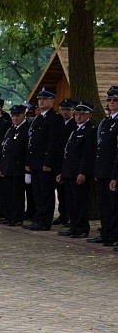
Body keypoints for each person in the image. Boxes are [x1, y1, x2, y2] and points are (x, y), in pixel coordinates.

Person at [59, 102, 97, 238]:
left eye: (82, 114)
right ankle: (73, 225)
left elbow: (88, 154)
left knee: (80, 202)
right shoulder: (75, 130)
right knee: (70, 202)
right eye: (76, 114)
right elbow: (67, 153)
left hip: (79, 173)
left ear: (89, 115)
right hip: (69, 172)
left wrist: (83, 172)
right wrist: (62, 172)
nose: (78, 116)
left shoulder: (90, 130)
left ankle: (81, 228)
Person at [25, 89, 58, 231]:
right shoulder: (38, 118)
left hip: (45, 163)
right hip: (35, 162)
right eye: (39, 99)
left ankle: (45, 220)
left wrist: (48, 162)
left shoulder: (55, 118)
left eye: (45, 99)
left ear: (52, 101)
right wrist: (28, 161)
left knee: (46, 193)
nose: (41, 101)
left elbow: (54, 143)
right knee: (37, 192)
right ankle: (38, 217)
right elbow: (31, 141)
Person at [90, 86, 118, 246]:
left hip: (113, 170)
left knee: (114, 206)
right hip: (103, 170)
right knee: (104, 206)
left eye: (115, 100)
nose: (112, 102)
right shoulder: (106, 122)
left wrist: (115, 175)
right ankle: (106, 232)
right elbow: (100, 148)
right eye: (109, 100)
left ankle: (114, 235)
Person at [0, 104, 30, 226]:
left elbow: (26, 150)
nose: (15, 118)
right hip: (8, 166)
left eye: (18, 115)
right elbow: (4, 148)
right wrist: (1, 164)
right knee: (8, 193)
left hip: (18, 167)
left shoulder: (26, 129)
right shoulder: (11, 129)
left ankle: (17, 217)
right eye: (13, 115)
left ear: (23, 115)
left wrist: (27, 165)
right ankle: (9, 215)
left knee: (17, 194)